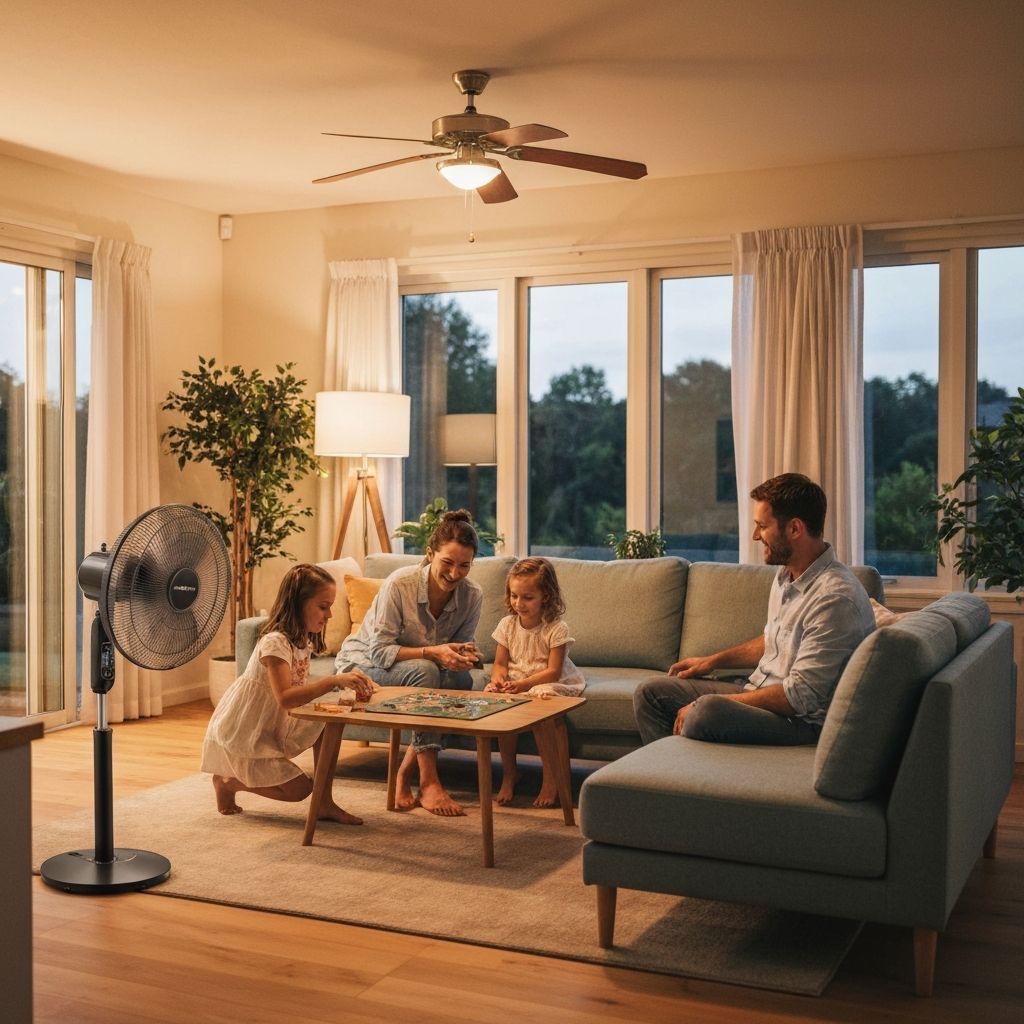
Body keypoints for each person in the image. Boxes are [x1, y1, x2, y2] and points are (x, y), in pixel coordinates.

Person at [633, 473, 875, 746]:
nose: (755, 535)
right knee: (650, 693)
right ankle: (665, 781)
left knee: (705, 712)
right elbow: (776, 639)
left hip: (802, 722)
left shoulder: (835, 599)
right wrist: (711, 661)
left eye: (762, 526)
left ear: (795, 529)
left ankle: (680, 776)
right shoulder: (787, 575)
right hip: (762, 690)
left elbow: (799, 697)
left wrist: (711, 701)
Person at [335, 509, 483, 817]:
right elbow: (379, 651)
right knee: (427, 671)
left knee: (461, 682)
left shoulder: (472, 596)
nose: (455, 574)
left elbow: (461, 647)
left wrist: (464, 658)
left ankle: (404, 773)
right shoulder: (399, 584)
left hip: (414, 669)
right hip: (362, 664)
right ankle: (429, 781)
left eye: (464, 566)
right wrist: (434, 653)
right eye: (447, 562)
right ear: (430, 554)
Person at [201, 563, 375, 820]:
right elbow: (285, 697)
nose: (329, 615)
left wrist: (348, 686)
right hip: (250, 728)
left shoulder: (301, 640)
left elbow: (299, 687)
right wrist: (334, 681)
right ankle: (229, 783)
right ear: (298, 604)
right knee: (298, 790)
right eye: (323, 606)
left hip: (276, 720)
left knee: (329, 722)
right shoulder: (274, 642)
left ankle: (324, 803)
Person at [484, 556, 585, 808]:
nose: (519, 603)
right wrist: (498, 680)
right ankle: (510, 773)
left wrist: (523, 685)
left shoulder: (556, 628)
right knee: (501, 706)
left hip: (549, 681)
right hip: (518, 681)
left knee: (541, 704)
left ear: (546, 596)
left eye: (527, 597)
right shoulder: (507, 625)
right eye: (514, 596)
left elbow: (553, 671)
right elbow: (499, 664)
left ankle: (551, 778)